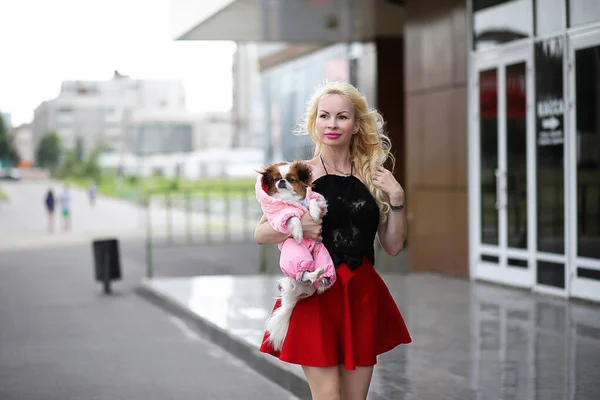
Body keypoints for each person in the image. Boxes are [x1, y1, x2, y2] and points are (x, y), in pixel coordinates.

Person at [255, 81, 412, 400]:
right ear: (314, 123)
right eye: (324, 116)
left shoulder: (374, 176)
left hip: (361, 293)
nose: (332, 124)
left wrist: (397, 199)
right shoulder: (299, 175)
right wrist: (299, 224)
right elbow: (261, 233)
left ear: (356, 125)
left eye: (342, 116)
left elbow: (393, 247)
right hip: (316, 294)